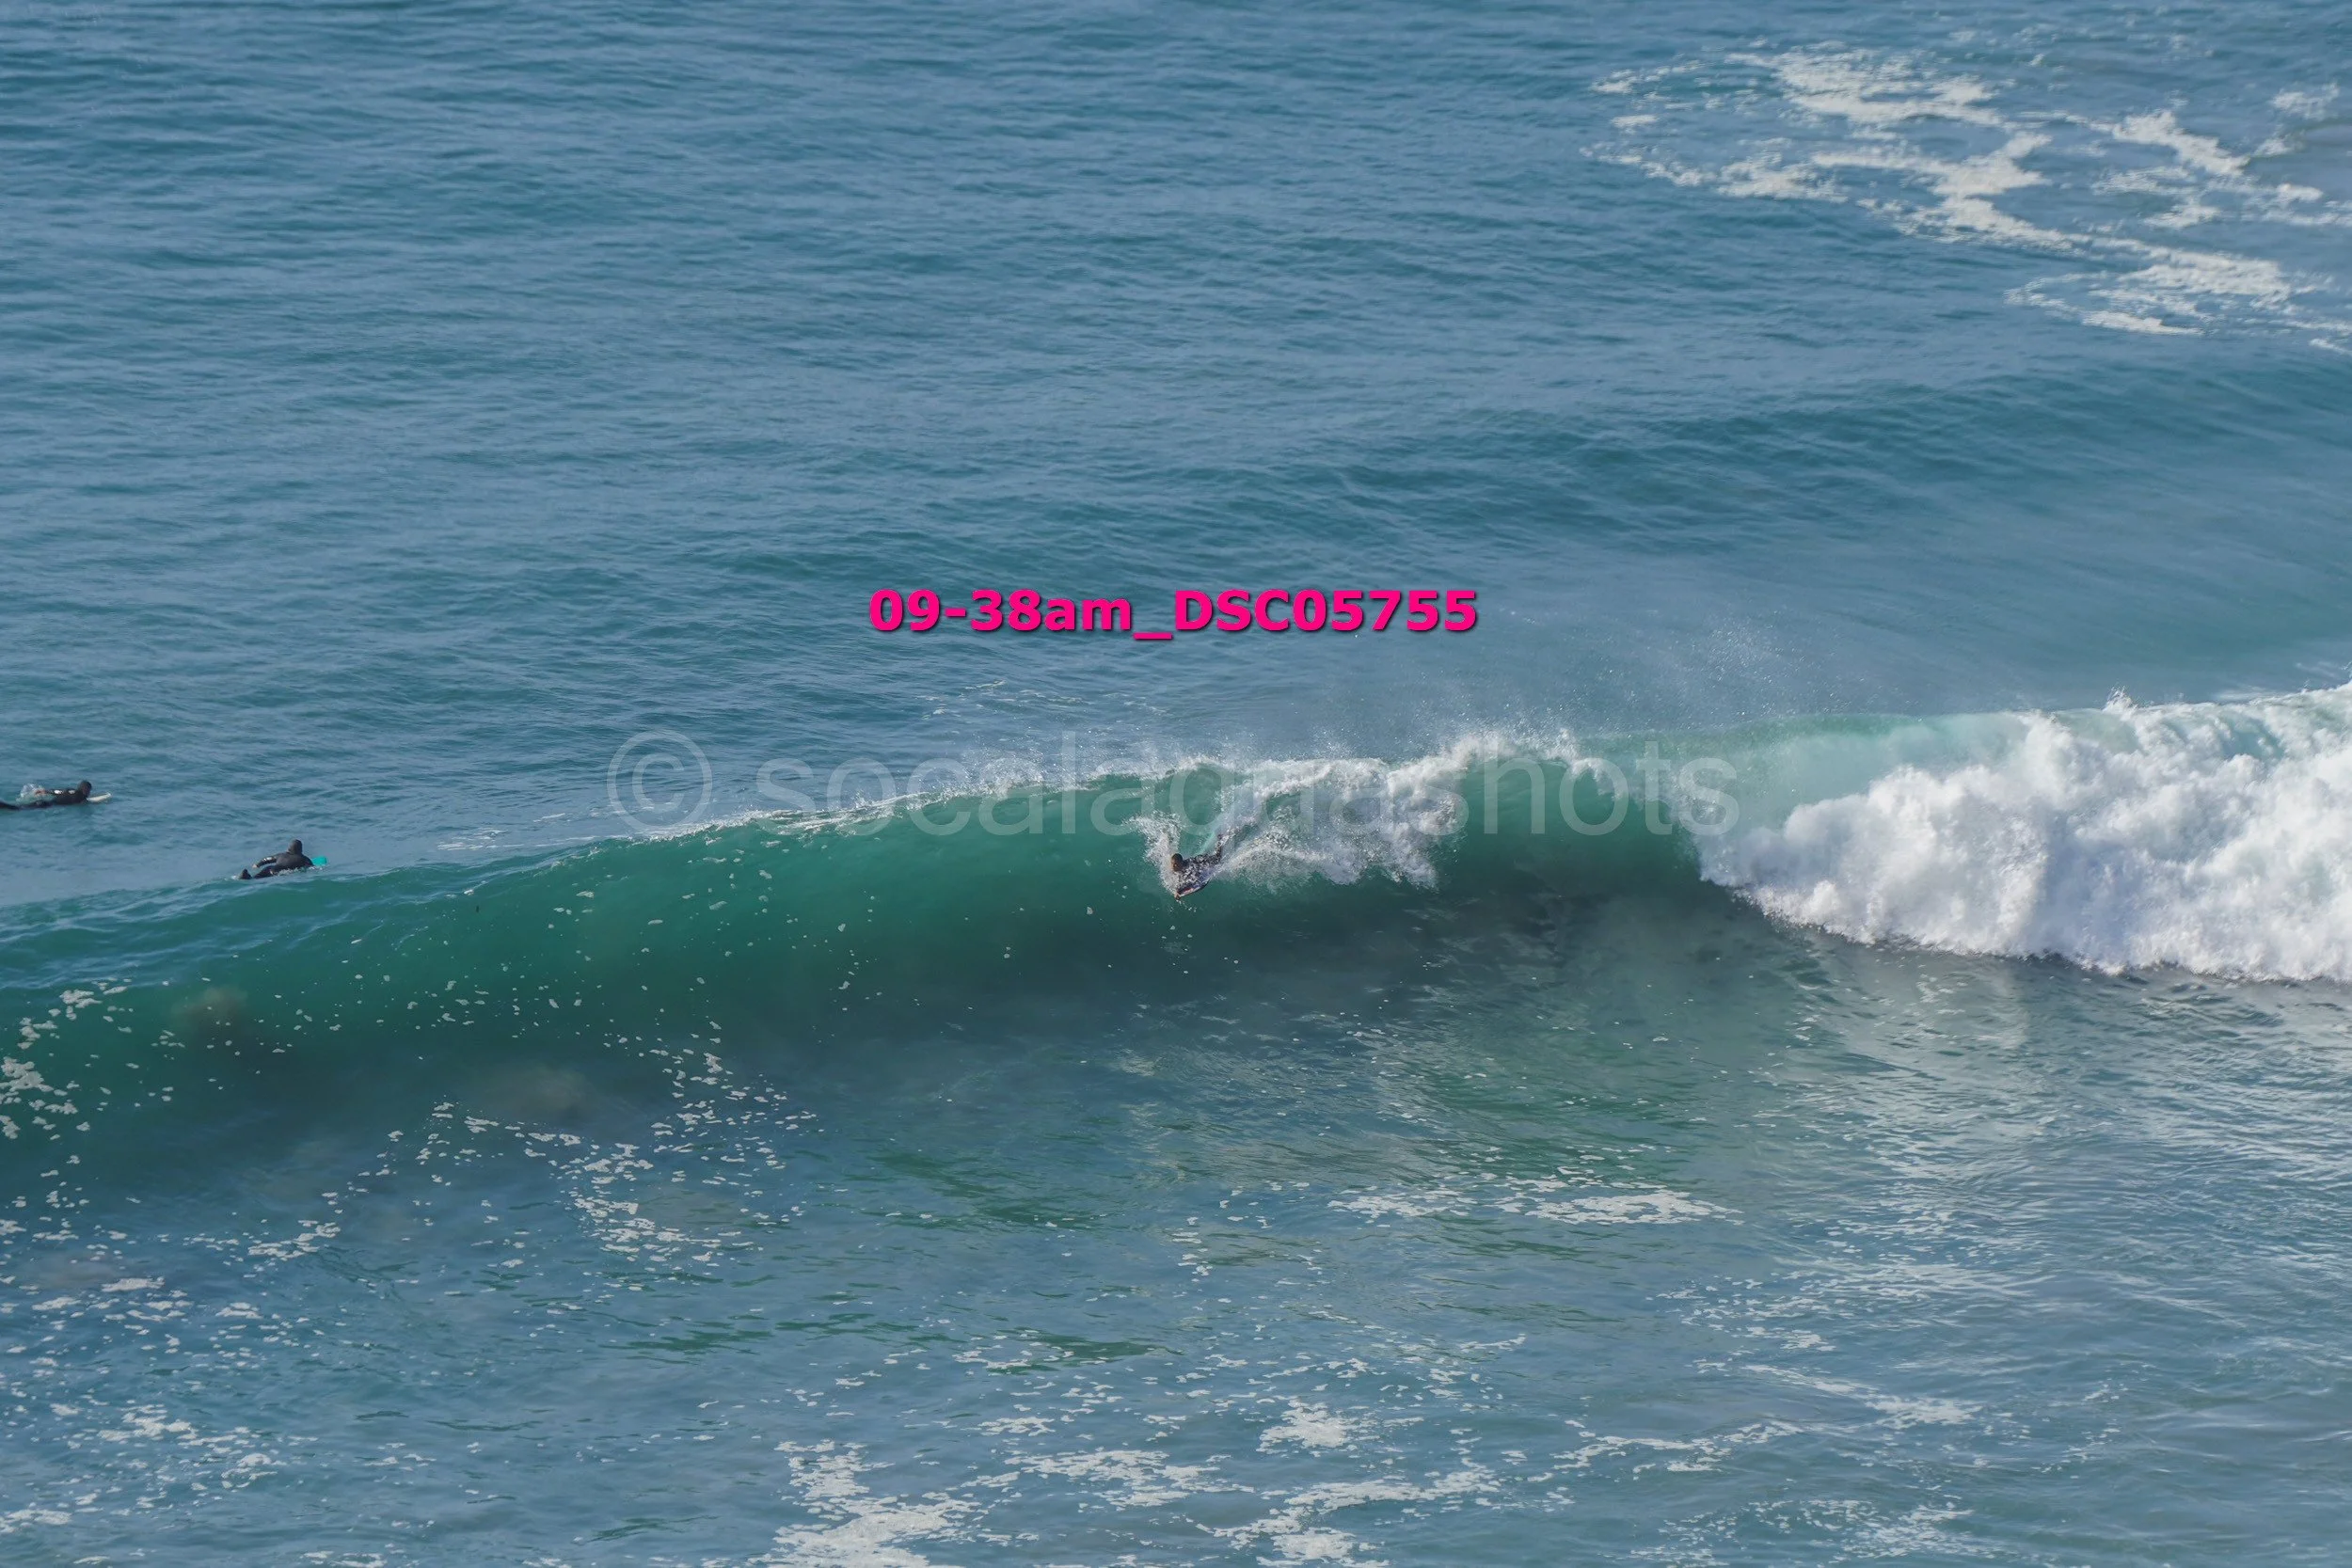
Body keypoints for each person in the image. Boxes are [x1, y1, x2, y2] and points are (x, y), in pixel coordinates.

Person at [240, 839, 314, 879]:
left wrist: (258, 864)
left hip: (269, 868)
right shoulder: (303, 858)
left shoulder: (281, 855)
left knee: (255, 878)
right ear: (300, 849)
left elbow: (267, 859)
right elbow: (311, 867)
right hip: (278, 872)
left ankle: (245, 876)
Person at [1, 780, 95, 810]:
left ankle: (3, 805)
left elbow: (56, 791)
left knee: (18, 807)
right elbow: (86, 803)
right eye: (89, 790)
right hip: (47, 805)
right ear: (85, 790)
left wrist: (45, 791)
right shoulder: (82, 798)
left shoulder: (70, 790)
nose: (89, 793)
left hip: (45, 801)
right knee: (18, 809)